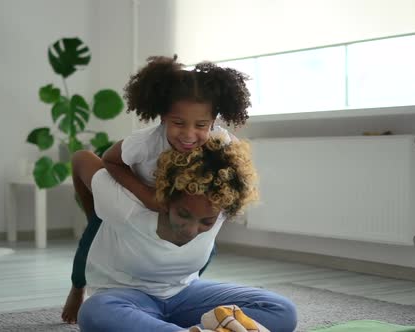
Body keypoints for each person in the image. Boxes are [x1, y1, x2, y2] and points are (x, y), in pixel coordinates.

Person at [62, 55, 252, 323]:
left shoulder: (221, 142)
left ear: (214, 120)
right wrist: (147, 196)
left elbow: (236, 178)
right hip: (138, 202)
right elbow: (109, 160)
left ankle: (179, 296)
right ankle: (77, 288)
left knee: (205, 249)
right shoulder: (146, 143)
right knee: (93, 235)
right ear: (163, 116)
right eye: (178, 123)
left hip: (179, 212)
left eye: (201, 125)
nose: (188, 135)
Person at [72, 137, 297, 331]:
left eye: (206, 221)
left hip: (186, 294)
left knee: (282, 311)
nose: (191, 230)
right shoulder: (126, 206)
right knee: (94, 313)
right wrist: (96, 217)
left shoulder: (220, 207)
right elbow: (81, 159)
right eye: (183, 214)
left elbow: (225, 146)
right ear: (167, 198)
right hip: (126, 296)